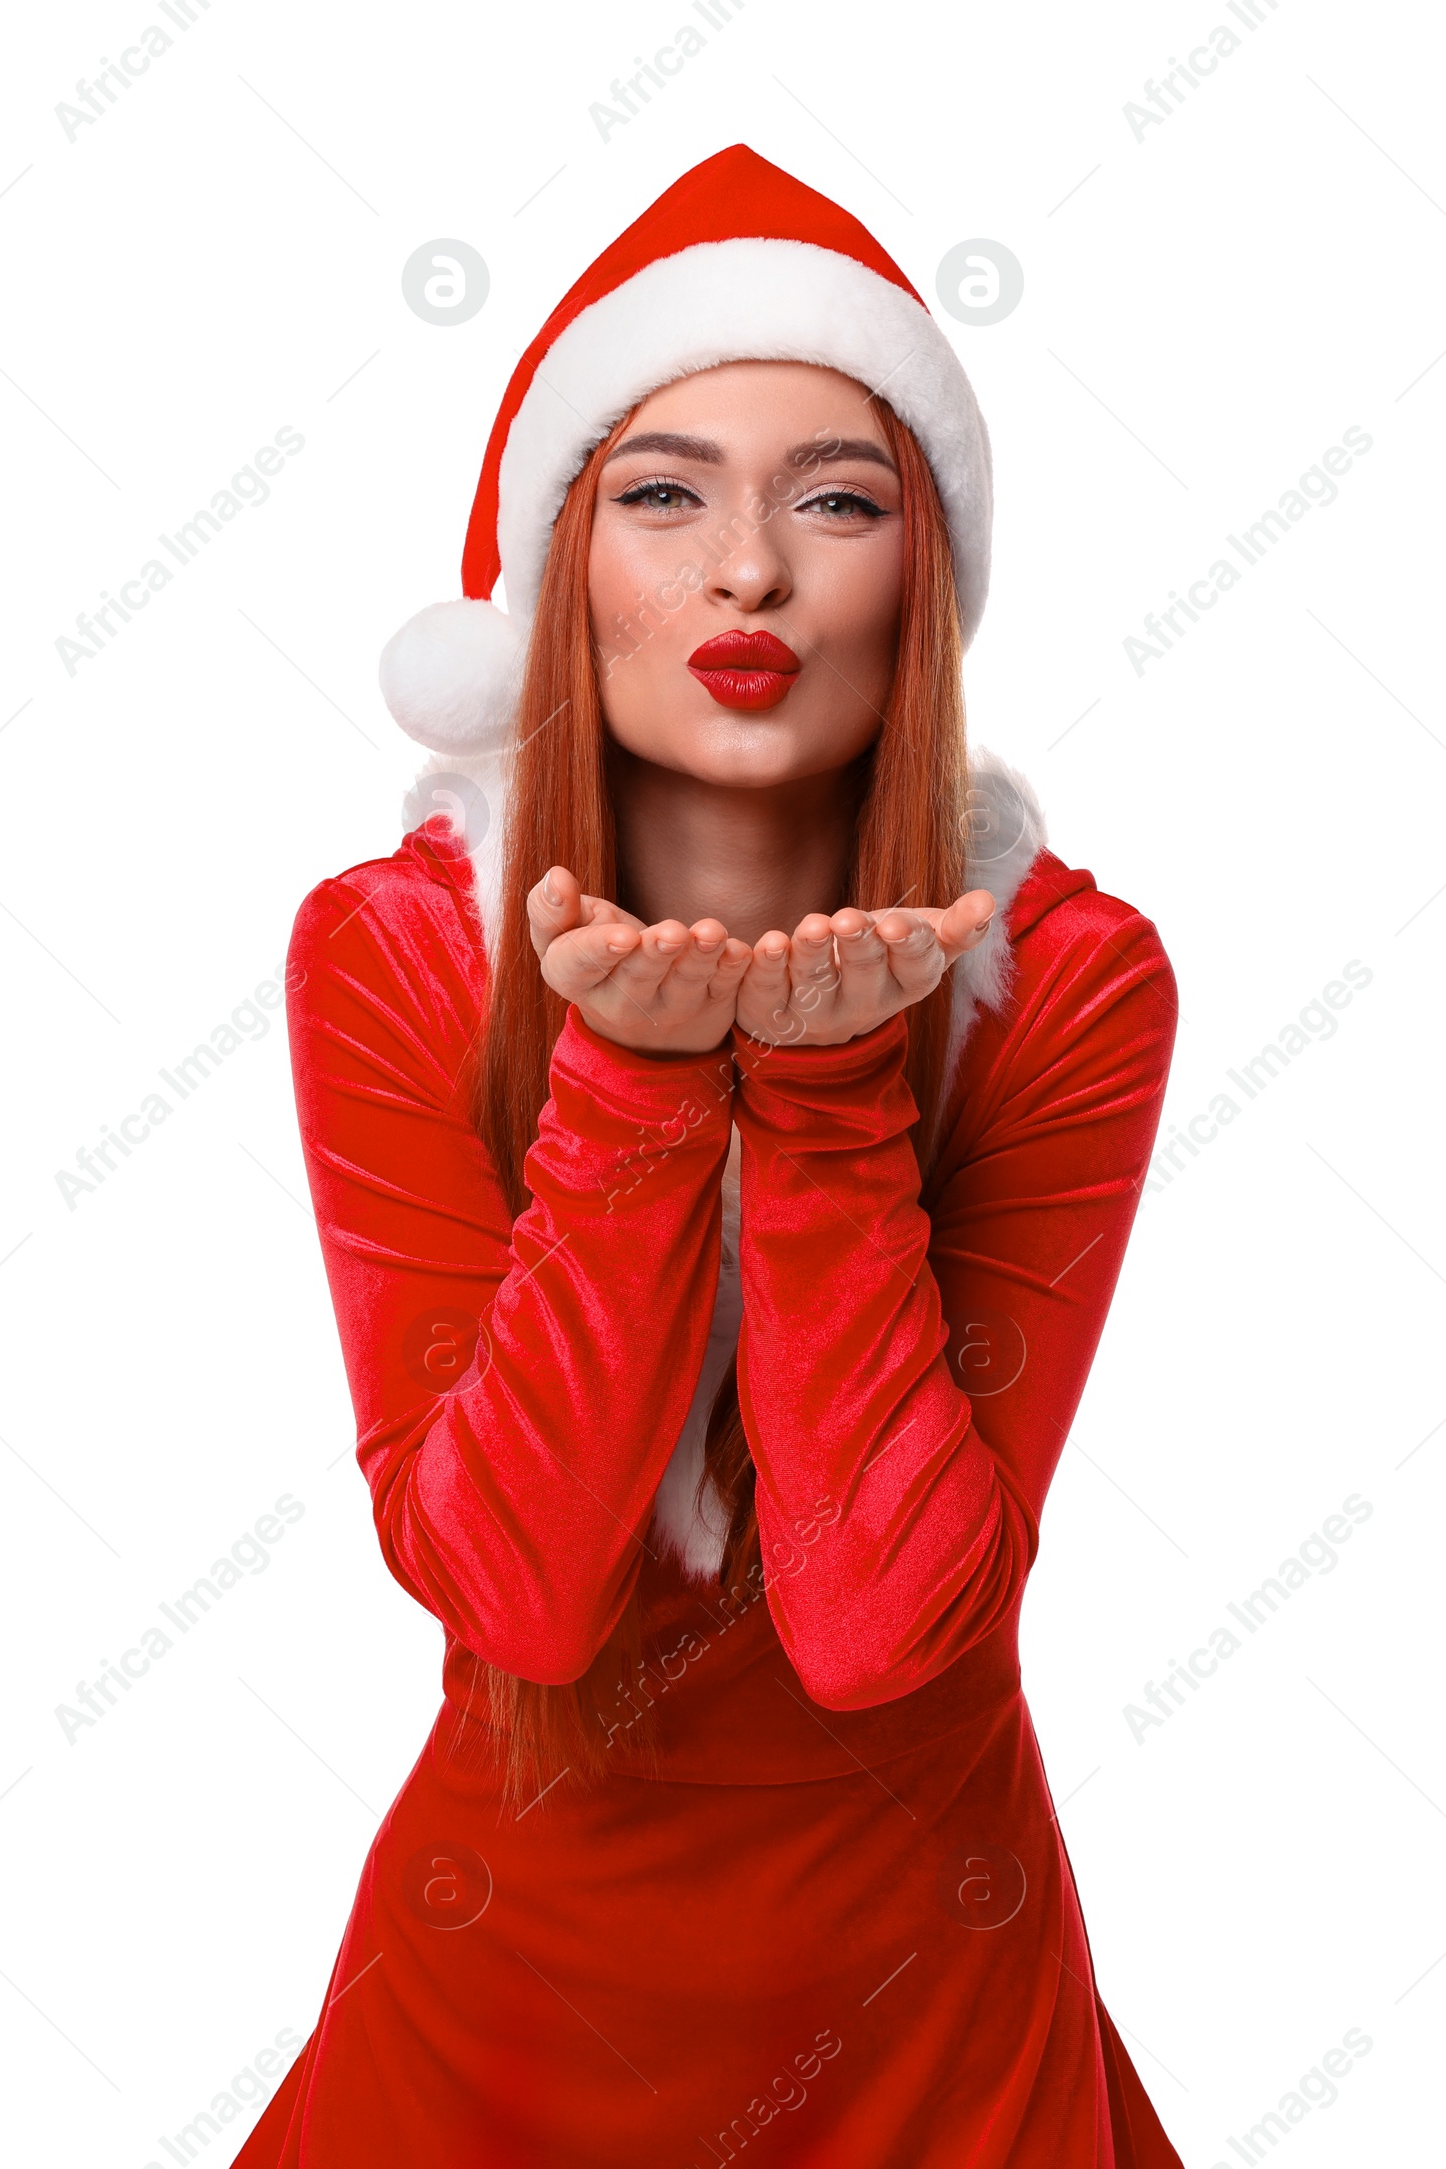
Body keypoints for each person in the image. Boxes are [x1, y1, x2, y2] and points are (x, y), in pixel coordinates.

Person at [237, 144, 1183, 2167]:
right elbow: (521, 1593)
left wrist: (832, 1102)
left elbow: (879, 1628)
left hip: (935, 2002)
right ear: (562, 563)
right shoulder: (394, 954)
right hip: (502, 1988)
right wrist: (640, 1096)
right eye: (662, 492)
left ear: (920, 572)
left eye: (832, 497)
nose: (746, 570)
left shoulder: (1072, 980)